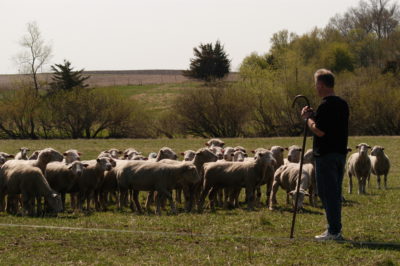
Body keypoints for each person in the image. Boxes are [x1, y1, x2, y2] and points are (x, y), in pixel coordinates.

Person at [301, 69, 349, 241]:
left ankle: (334, 231)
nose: (316, 88)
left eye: (316, 84)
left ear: (321, 84)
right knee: (333, 192)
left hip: (326, 155)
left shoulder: (325, 105)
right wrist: (314, 115)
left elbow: (320, 131)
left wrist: (308, 119)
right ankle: (334, 228)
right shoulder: (342, 104)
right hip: (340, 154)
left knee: (327, 193)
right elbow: (331, 125)